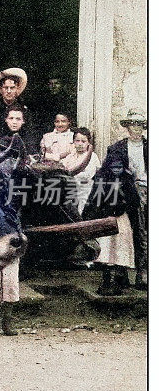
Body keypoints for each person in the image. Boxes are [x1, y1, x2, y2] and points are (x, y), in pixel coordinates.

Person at [85, 108, 147, 294]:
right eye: (132, 124)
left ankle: (143, 272)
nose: (136, 128)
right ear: (127, 127)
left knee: (146, 233)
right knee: (130, 232)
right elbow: (109, 174)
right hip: (127, 193)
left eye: (139, 124)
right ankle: (121, 274)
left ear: (144, 127)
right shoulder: (117, 148)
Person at [0, 67, 29, 142]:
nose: (9, 91)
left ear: (17, 89)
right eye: (6, 88)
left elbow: (28, 134)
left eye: (12, 88)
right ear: (0, 89)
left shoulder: (24, 109)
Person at [61, 127, 100, 215]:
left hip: (85, 188)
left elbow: (88, 175)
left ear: (88, 142)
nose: (80, 144)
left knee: (82, 205)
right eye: (77, 141)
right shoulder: (71, 156)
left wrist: (70, 175)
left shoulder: (92, 156)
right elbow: (62, 167)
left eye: (83, 141)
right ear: (73, 142)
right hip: (70, 187)